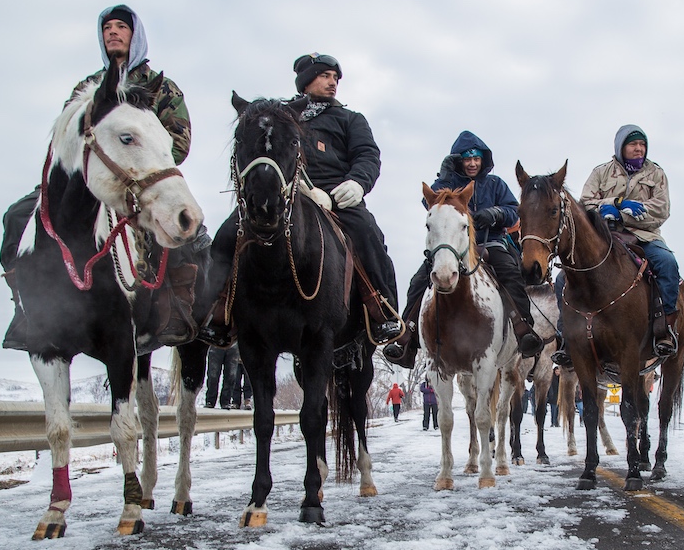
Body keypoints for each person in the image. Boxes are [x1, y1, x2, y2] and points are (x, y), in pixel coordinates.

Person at [0, 4, 204, 350]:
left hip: (141, 181)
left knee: (190, 239)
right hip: (82, 180)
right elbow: (64, 136)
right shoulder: (88, 86)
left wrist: (142, 166)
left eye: (121, 27)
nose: (113, 32)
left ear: (135, 35)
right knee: (17, 216)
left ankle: (172, 312)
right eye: (107, 27)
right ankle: (27, 307)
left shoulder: (161, 88)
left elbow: (178, 140)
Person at [199, 53, 401, 347]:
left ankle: (383, 309)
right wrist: (298, 187)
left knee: (368, 232)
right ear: (306, 81)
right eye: (325, 76)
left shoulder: (350, 119)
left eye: (335, 78)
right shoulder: (281, 114)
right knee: (229, 233)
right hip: (287, 192)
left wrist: (356, 184)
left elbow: (367, 155)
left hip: (339, 196)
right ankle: (216, 311)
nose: (332, 83)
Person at [381, 130, 545, 367]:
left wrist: (496, 213)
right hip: (453, 246)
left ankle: (523, 330)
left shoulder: (495, 184)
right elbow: (429, 203)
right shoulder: (449, 184)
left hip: (491, 242)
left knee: (510, 273)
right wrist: (445, 178)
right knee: (418, 282)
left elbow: (512, 210)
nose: (472, 163)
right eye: (467, 159)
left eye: (476, 158)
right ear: (459, 160)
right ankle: (407, 337)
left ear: (483, 160)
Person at [550, 124, 680, 366]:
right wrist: (612, 204)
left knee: (667, 264)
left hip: (644, 236)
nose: (639, 149)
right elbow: (584, 204)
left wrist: (625, 215)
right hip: (605, 236)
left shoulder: (656, 174)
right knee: (561, 280)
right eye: (633, 144)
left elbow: (661, 209)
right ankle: (566, 336)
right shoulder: (601, 172)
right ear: (621, 147)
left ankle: (664, 329)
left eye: (642, 144)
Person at [205, 343, 240, 409]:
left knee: (231, 376)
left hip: (234, 345)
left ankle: (226, 401)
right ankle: (210, 400)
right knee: (213, 376)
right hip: (216, 344)